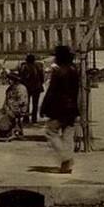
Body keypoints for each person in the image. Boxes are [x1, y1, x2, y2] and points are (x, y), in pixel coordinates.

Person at [40, 45, 80, 174]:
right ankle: (66, 166)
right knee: (68, 135)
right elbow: (76, 92)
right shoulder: (75, 70)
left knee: (50, 131)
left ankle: (66, 157)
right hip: (72, 108)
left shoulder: (58, 72)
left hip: (59, 108)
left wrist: (43, 107)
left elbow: (51, 92)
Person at [0, 70, 29, 139]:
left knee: (8, 114)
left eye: (10, 80)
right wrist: (5, 107)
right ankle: (3, 130)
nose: (9, 81)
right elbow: (6, 100)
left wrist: (11, 105)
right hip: (9, 107)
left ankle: (9, 130)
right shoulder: (9, 89)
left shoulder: (21, 88)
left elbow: (22, 101)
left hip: (19, 108)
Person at [19, 54, 45, 124]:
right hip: (37, 87)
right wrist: (40, 83)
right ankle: (34, 118)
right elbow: (42, 77)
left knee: (26, 103)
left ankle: (26, 118)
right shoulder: (38, 66)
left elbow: (21, 77)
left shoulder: (24, 67)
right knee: (35, 104)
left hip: (27, 87)